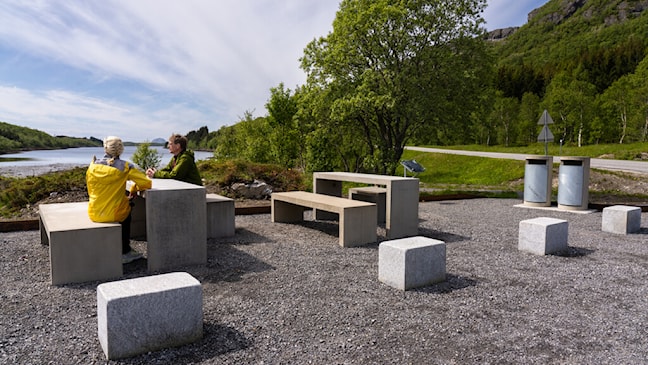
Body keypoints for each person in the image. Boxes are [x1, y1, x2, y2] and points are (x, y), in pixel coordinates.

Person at [86, 136, 152, 264]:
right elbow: (146, 183)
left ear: (105, 148)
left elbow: (90, 190)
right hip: (113, 214)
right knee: (127, 211)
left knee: (123, 206)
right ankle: (125, 251)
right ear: (121, 150)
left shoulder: (92, 166)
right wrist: (133, 189)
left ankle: (122, 249)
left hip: (94, 212)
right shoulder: (125, 167)